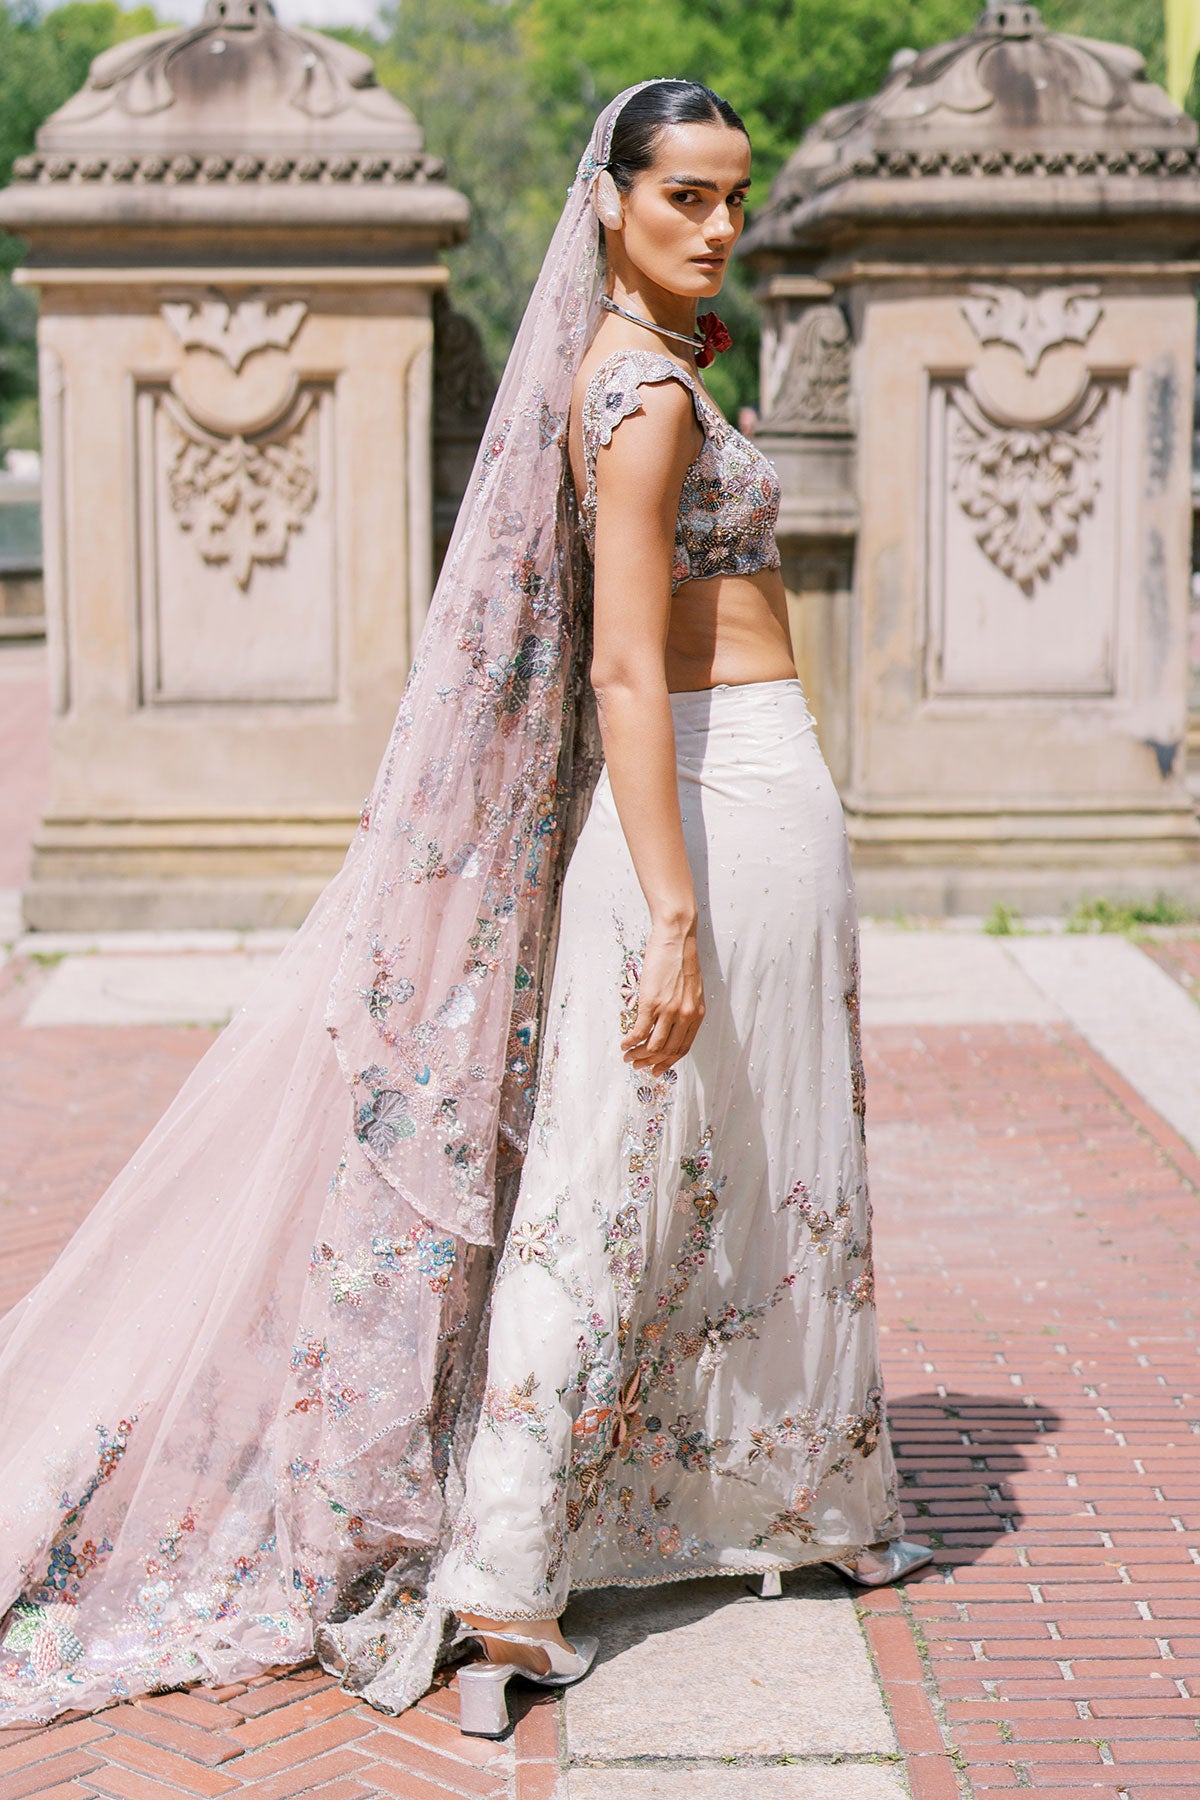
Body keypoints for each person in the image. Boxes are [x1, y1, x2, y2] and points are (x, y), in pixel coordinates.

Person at [0, 79, 928, 1739]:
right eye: (684, 198)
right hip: (707, 811)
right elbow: (630, 669)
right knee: (613, 1175)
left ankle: (794, 1493)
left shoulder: (639, 376)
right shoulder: (637, 396)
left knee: (753, 1165)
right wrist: (670, 912)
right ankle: (507, 1577)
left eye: (733, 196)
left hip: (757, 807)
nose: (717, 226)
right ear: (608, 206)